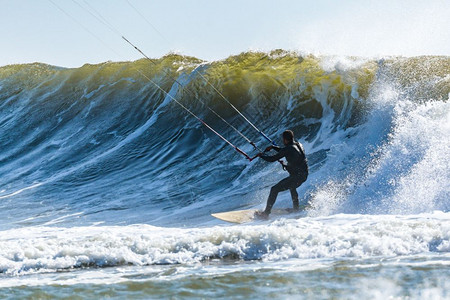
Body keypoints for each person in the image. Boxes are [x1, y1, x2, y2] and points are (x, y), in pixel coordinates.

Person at [255, 130, 308, 219]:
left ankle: (265, 214)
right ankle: (296, 209)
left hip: (297, 176)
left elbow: (272, 159)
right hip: (304, 174)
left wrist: (261, 156)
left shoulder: (288, 149)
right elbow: (285, 150)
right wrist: (273, 147)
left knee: (274, 189)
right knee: (292, 186)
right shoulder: (299, 145)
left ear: (284, 139)